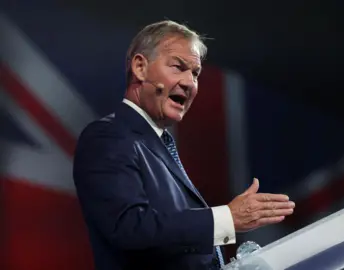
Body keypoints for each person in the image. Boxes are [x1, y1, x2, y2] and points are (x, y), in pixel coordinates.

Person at [73, 20, 295, 270]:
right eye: (178, 67)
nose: (190, 83)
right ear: (140, 67)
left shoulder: (157, 142)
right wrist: (226, 218)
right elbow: (129, 227)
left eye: (196, 73)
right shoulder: (108, 136)